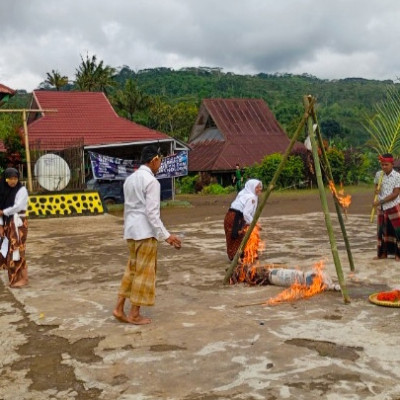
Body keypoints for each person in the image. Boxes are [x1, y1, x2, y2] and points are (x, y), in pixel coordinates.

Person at [113, 145, 182, 325]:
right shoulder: (151, 182)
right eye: (159, 160)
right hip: (145, 232)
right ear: (154, 160)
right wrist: (166, 236)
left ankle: (119, 307)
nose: (160, 164)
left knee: (132, 270)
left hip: (131, 231)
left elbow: (129, 208)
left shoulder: (130, 179)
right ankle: (134, 313)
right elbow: (152, 213)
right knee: (145, 274)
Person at [0, 168, 29, 288]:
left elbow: (18, 207)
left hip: (19, 223)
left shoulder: (21, 190)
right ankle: (20, 277)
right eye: (10, 178)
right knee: (9, 250)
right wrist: (1, 226)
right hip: (7, 223)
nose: (13, 181)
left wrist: (3, 212)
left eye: (15, 178)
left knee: (16, 249)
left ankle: (18, 278)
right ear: (5, 179)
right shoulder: (1, 191)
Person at [224, 179, 263, 261]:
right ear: (252, 188)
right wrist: (255, 224)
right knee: (238, 237)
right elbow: (246, 213)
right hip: (236, 218)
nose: (259, 189)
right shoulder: (251, 197)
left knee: (235, 238)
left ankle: (238, 258)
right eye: (257, 187)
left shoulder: (244, 194)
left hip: (230, 216)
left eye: (260, 187)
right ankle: (240, 259)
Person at [373, 153, 400, 260]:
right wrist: (377, 190)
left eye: (386, 165)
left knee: (397, 231)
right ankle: (383, 254)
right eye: (382, 165)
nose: (384, 167)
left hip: (393, 206)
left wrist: (381, 201)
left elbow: (395, 193)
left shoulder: (397, 176)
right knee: (382, 231)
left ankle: (398, 254)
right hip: (382, 208)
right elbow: (376, 187)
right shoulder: (378, 174)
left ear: (392, 164)